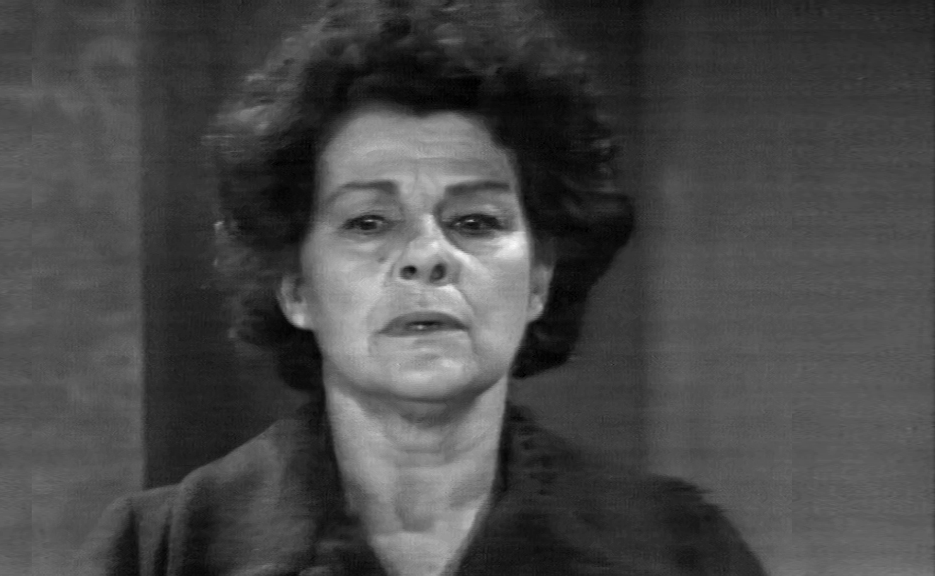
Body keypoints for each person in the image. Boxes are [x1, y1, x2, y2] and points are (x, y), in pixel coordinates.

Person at [78, 1, 768, 574]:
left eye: (474, 221)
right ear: (294, 287)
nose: (427, 257)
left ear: (539, 279)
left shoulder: (678, 551)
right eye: (369, 222)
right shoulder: (161, 553)